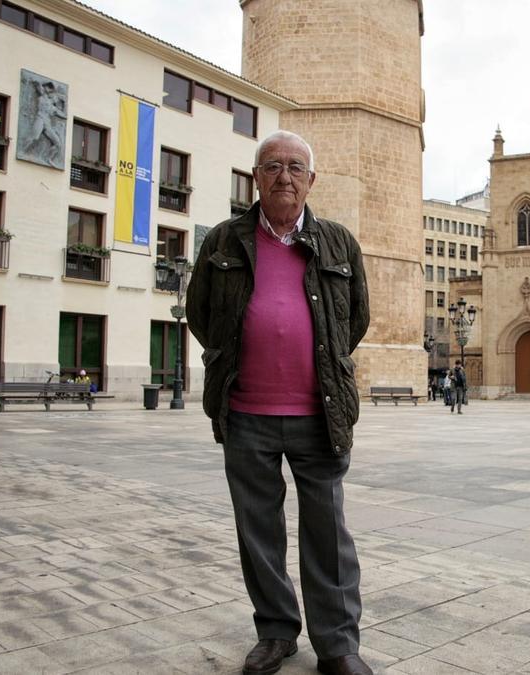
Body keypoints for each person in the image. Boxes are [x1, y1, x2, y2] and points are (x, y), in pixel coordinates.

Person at [186, 130, 373, 675]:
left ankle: (337, 645)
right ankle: (276, 633)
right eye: (272, 166)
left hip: (321, 414)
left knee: (328, 532)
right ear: (256, 178)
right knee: (258, 531)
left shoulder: (339, 243)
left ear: (311, 180)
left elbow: (353, 321)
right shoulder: (223, 241)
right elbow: (202, 315)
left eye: (295, 167)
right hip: (246, 412)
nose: (284, 176)